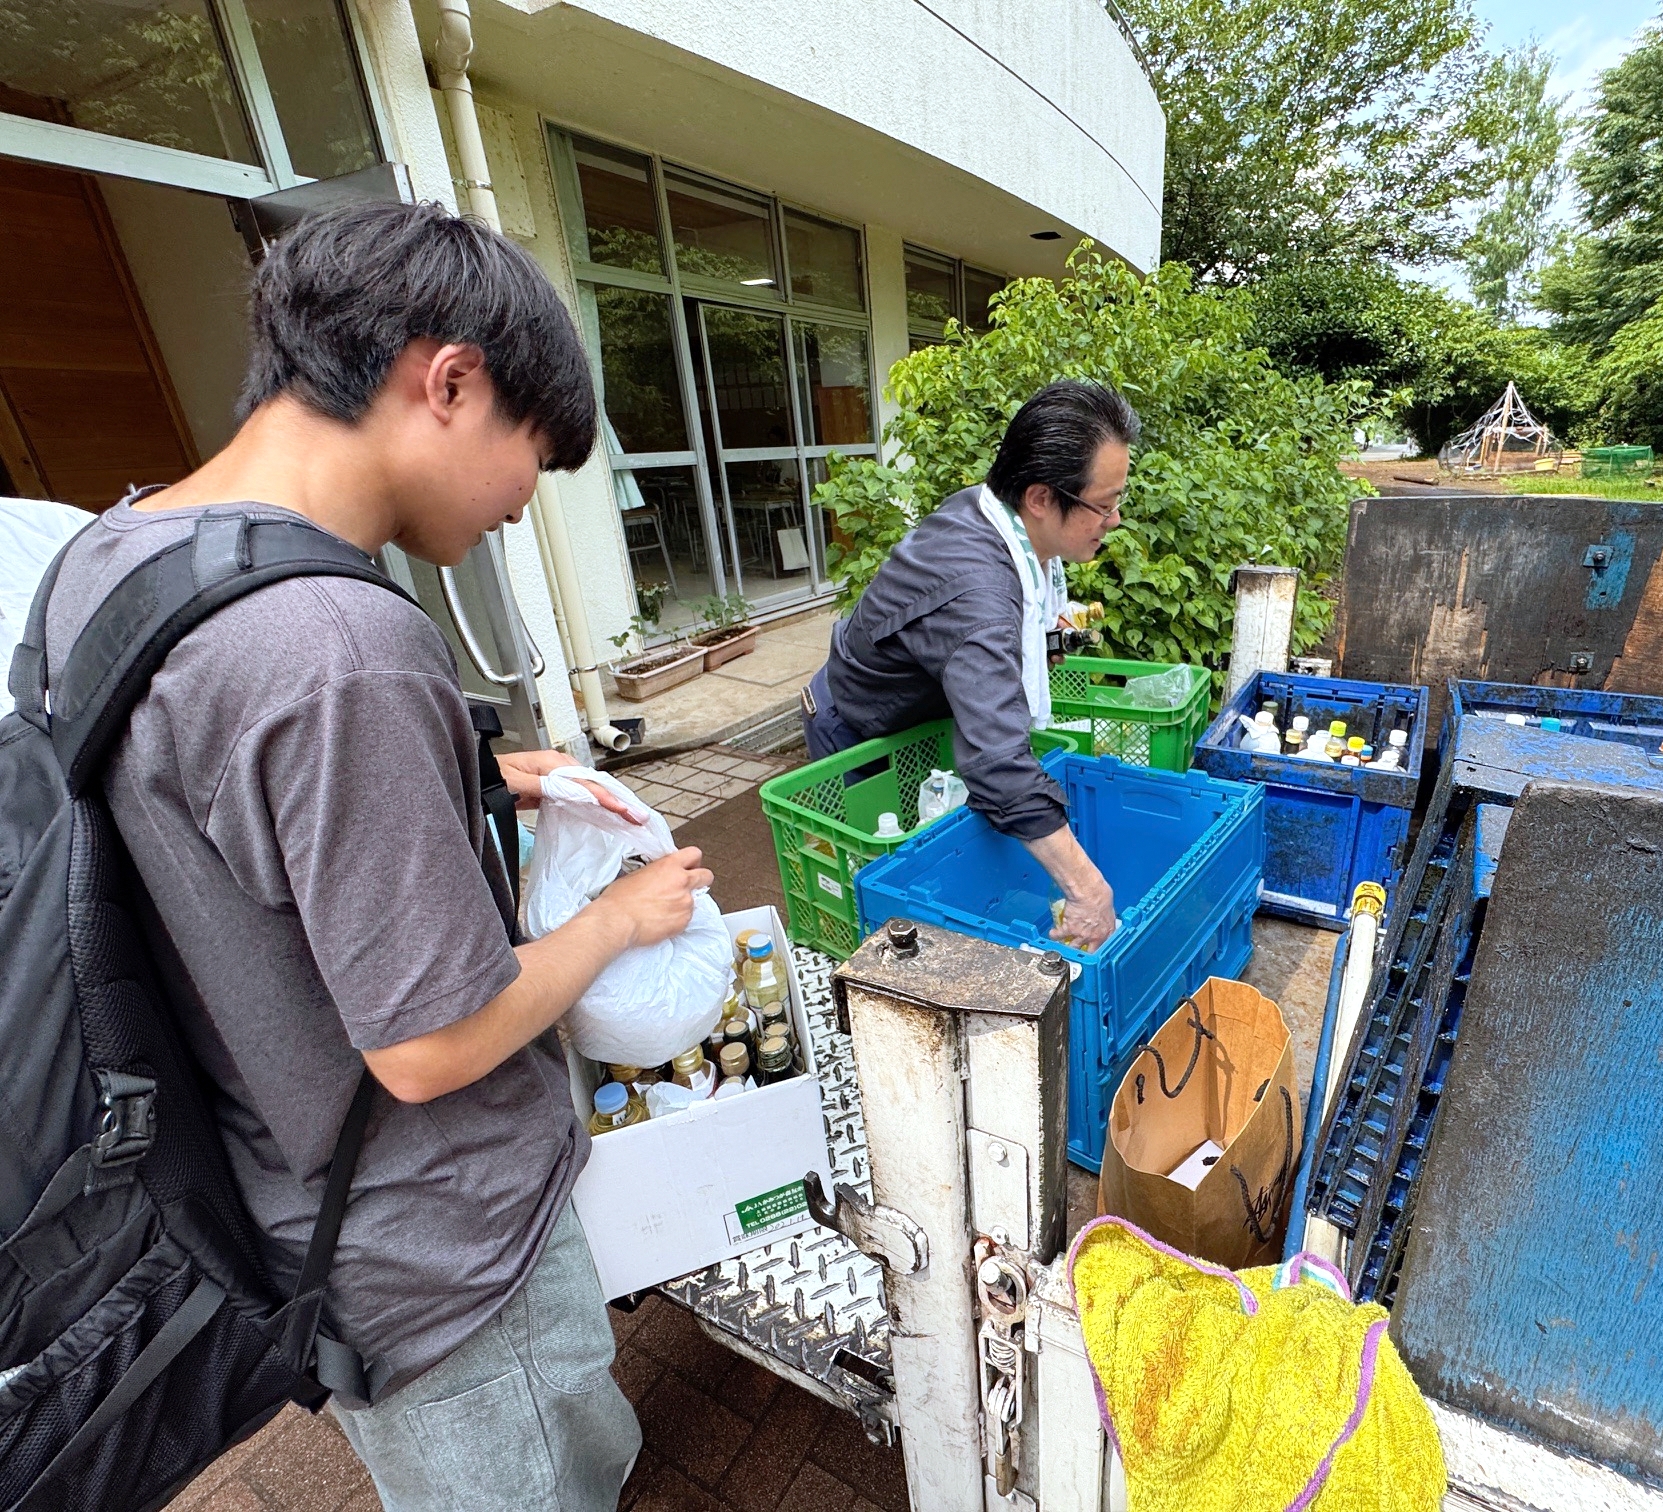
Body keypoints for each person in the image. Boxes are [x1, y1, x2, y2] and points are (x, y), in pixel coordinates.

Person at [38, 201, 709, 1510]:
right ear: (447, 381)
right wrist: (619, 921)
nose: (522, 503)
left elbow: (218, 813)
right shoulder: (340, 648)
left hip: (286, 1196)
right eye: (533, 455)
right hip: (439, 1254)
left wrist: (471, 776)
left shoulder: (114, 553)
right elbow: (432, 1042)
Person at [803, 379, 1137, 950]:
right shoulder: (978, 592)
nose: (1115, 519)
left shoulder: (996, 516)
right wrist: (1087, 890)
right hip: (858, 731)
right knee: (884, 909)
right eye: (1103, 506)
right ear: (1039, 497)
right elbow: (998, 767)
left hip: (920, 720)